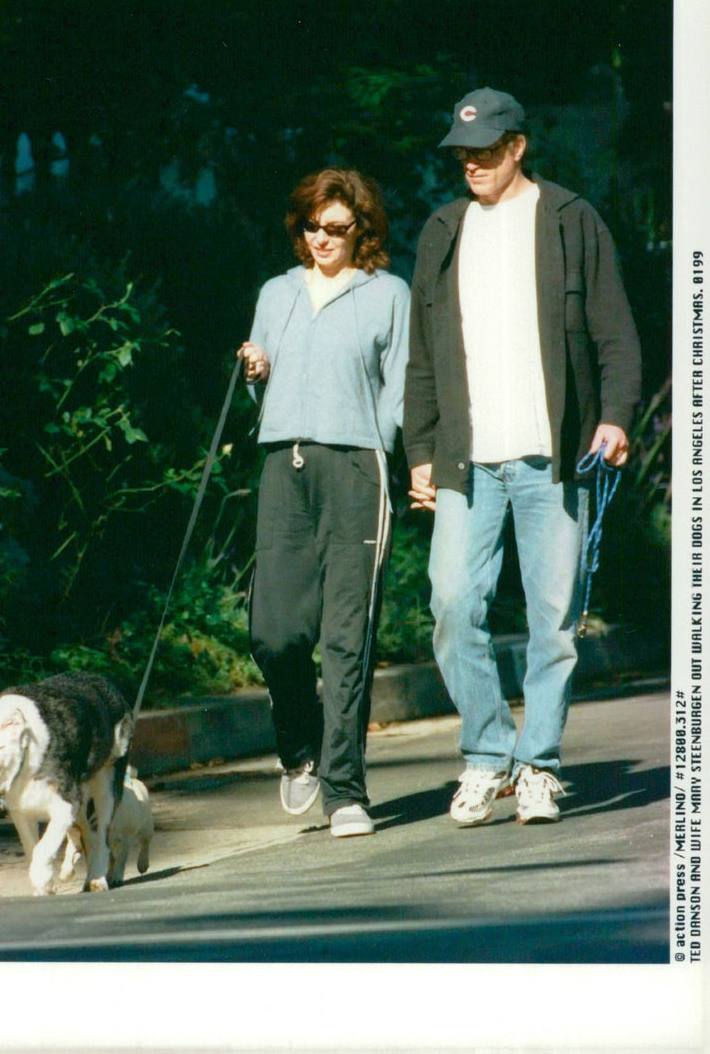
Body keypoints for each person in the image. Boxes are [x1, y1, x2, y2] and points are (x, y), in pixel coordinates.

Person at [404, 87, 641, 826]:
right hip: (467, 459)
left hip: (553, 457)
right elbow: (422, 356)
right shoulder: (444, 230)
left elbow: (614, 332)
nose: (470, 162)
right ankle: (486, 756)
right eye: (461, 152)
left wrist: (615, 415)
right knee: (450, 603)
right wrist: (419, 449)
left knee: (554, 619)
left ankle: (537, 765)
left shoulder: (570, 220)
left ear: (517, 147)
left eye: (483, 151)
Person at [238, 167, 410, 838]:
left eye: (336, 228)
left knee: (346, 637)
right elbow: (263, 382)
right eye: (312, 226)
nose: (322, 239)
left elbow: (398, 386)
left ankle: (344, 792)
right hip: (285, 461)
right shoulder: (276, 293)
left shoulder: (386, 294)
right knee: (273, 632)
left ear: (361, 230)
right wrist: (256, 369)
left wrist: (388, 451)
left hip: (356, 468)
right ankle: (300, 743)